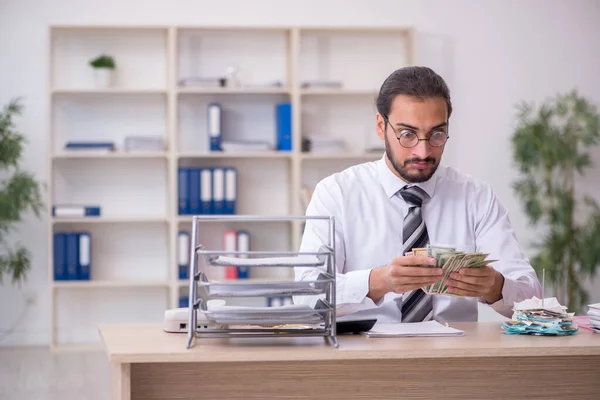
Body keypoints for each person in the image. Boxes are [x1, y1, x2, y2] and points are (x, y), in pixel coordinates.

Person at [294, 66, 542, 323]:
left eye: (436, 134)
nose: (423, 151)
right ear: (381, 126)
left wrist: (495, 287)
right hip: (364, 356)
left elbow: (532, 298)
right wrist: (378, 281)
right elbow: (306, 295)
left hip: (455, 357)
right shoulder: (336, 194)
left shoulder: (476, 197)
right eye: (407, 134)